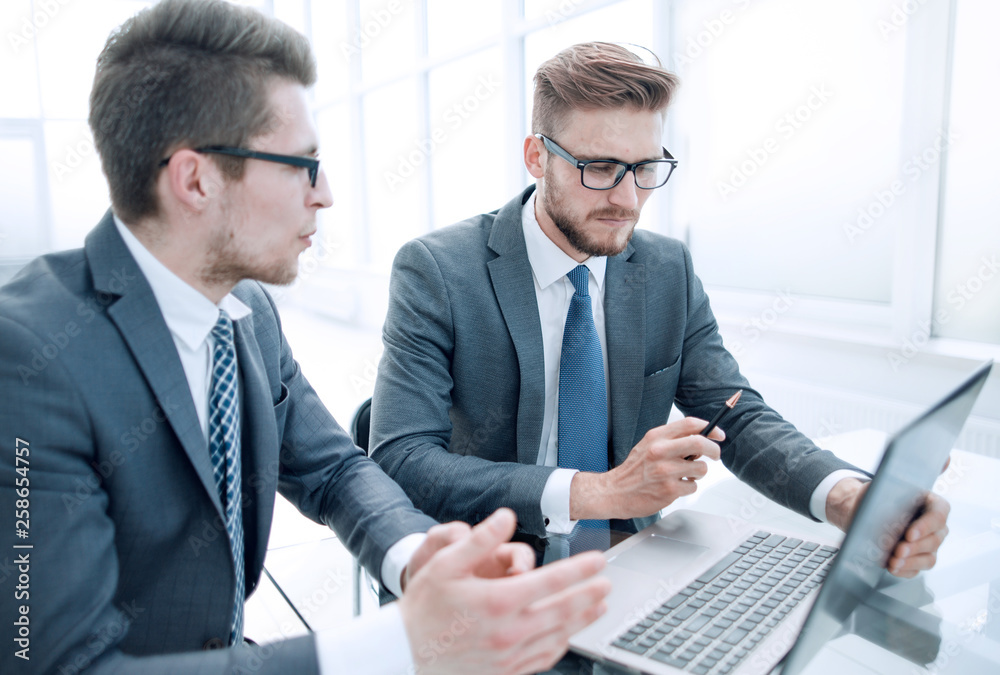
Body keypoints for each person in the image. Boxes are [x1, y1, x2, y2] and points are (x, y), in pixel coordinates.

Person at [0, 2, 611, 674]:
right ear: (196, 179)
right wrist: (398, 643)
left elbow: (333, 467)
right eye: (301, 164)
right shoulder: (30, 356)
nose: (324, 195)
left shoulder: (245, 310)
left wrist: (418, 555)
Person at [370, 42, 949, 580]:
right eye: (599, 168)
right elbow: (403, 457)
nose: (627, 199)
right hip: (488, 572)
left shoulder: (665, 269)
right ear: (536, 157)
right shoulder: (439, 271)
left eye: (646, 169)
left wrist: (848, 498)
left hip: (630, 562)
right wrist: (599, 492)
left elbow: (734, 413)